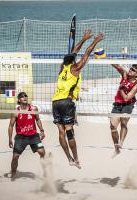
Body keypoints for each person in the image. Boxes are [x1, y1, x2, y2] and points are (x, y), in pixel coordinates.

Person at [52, 29, 104, 168]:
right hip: (67, 102)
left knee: (61, 131)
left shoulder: (62, 67)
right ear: (73, 60)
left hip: (55, 102)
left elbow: (74, 51)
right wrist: (94, 41)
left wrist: (83, 38)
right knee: (69, 131)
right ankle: (76, 159)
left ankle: (69, 158)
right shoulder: (75, 68)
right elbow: (86, 53)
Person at [8, 92, 46, 180]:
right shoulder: (16, 112)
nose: (24, 97)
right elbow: (10, 126)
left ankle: (45, 171)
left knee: (42, 152)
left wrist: (42, 131)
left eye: (26, 96)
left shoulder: (33, 108)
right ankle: (13, 173)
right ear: (19, 100)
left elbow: (38, 120)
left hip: (33, 136)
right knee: (15, 157)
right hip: (21, 137)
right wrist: (10, 139)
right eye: (22, 96)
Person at [110, 63, 137, 156]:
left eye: (133, 70)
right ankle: (116, 147)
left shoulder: (136, 85)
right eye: (131, 68)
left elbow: (126, 98)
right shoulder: (124, 74)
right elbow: (118, 67)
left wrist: (121, 89)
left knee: (124, 122)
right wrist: (104, 58)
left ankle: (121, 143)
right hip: (117, 104)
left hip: (128, 104)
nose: (130, 70)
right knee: (113, 127)